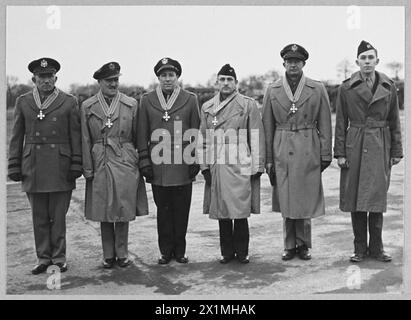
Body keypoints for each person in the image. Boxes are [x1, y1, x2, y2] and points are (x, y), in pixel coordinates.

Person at [8, 58, 82, 274]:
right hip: (33, 166)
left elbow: (75, 135)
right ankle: (43, 257)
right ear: (34, 79)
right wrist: (14, 164)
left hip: (60, 165)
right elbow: (16, 136)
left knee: (58, 217)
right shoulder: (23, 102)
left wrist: (76, 163)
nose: (46, 80)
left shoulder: (69, 101)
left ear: (56, 78)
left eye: (50, 76)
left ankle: (59, 257)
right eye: (42, 77)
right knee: (39, 217)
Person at [334, 41, 403, 263]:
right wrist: (340, 153)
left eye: (370, 58)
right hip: (355, 143)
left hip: (380, 144)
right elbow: (340, 122)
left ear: (377, 61)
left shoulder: (388, 86)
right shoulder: (346, 88)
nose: (366, 62)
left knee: (376, 198)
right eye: (362, 58)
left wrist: (396, 150)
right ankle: (359, 249)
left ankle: (377, 248)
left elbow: (394, 121)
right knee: (355, 199)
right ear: (357, 62)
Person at [262, 44, 332, 261]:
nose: (293, 64)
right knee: (286, 198)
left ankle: (303, 245)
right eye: (289, 61)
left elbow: (325, 123)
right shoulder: (272, 89)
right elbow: (267, 126)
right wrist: (269, 159)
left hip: (308, 146)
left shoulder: (317, 88)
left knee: (305, 198)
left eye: (297, 61)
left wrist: (325, 153)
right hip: (281, 147)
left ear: (304, 63)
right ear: (283, 63)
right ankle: (289, 245)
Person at [81, 62, 148, 269]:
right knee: (103, 208)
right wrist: (87, 168)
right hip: (100, 158)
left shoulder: (130, 104)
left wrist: (138, 161)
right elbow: (84, 139)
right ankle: (108, 254)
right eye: (109, 80)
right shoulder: (87, 106)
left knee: (123, 208)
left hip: (124, 159)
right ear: (99, 82)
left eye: (116, 80)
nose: (113, 84)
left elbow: (138, 136)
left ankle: (122, 253)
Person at [198, 64, 265, 264]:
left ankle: (242, 251)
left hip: (240, 159)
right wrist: (204, 166)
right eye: (222, 79)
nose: (226, 83)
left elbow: (257, 135)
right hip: (217, 161)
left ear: (236, 83)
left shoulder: (248, 105)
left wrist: (257, 165)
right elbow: (203, 138)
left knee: (240, 209)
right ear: (217, 83)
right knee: (222, 209)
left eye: (229, 80)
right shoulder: (207, 107)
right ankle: (226, 252)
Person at [137, 57, 200, 265]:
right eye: (163, 75)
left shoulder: (190, 99)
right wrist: (145, 160)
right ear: (158, 77)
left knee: (181, 210)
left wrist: (194, 160)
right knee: (163, 211)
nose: (167, 79)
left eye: (171, 75)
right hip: (159, 165)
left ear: (177, 77)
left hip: (182, 164)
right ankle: (165, 251)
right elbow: (142, 132)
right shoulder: (147, 100)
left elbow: (195, 131)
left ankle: (180, 251)